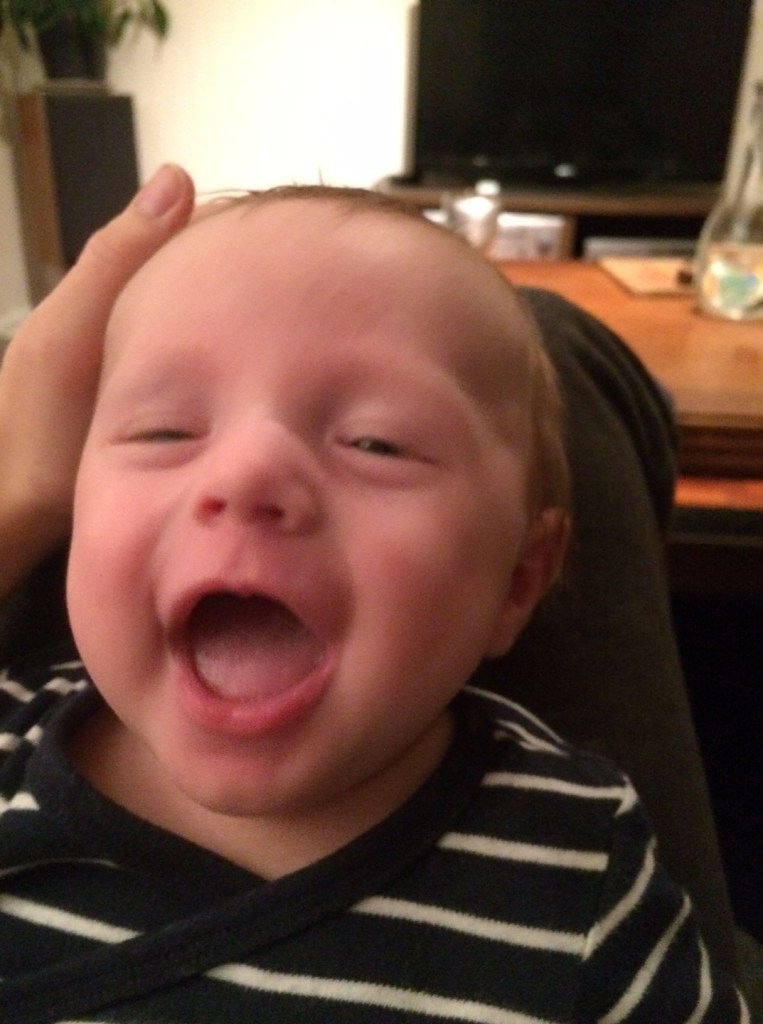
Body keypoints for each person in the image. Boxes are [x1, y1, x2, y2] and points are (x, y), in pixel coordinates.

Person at [0, 167, 749, 1023]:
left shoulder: (579, 866)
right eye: (162, 430)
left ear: (517, 580)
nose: (246, 473)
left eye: (377, 443)